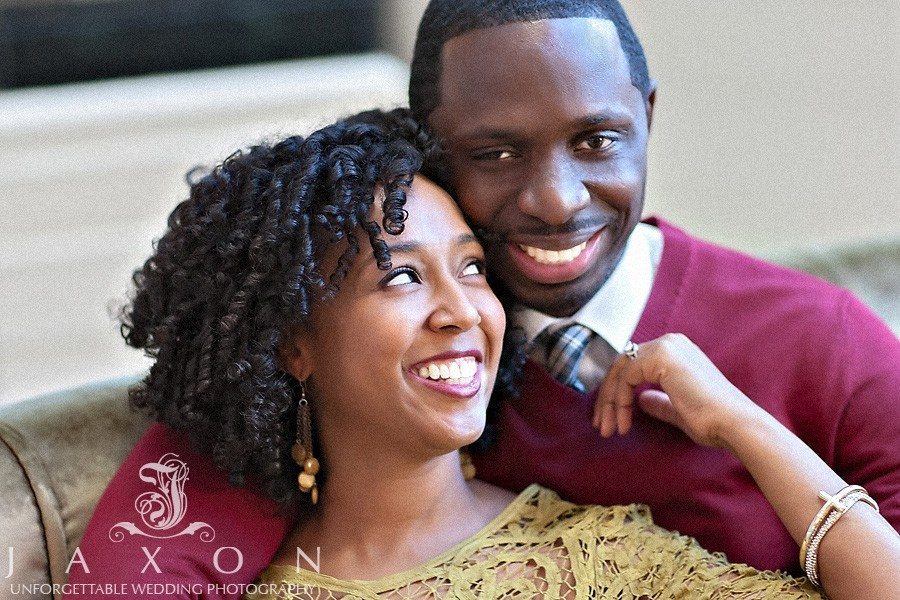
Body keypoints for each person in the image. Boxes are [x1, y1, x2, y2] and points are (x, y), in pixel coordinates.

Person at [68, 109, 896, 599]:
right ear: (292, 342)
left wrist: (742, 423)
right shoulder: (226, 576)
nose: (461, 311)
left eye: (471, 268)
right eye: (401, 279)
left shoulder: (594, 561)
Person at [404, 0, 900, 575]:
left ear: (648, 116)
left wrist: (745, 427)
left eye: (597, 141)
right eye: (497, 155)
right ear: (427, 150)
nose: (558, 199)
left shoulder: (820, 334)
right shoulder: (402, 361)